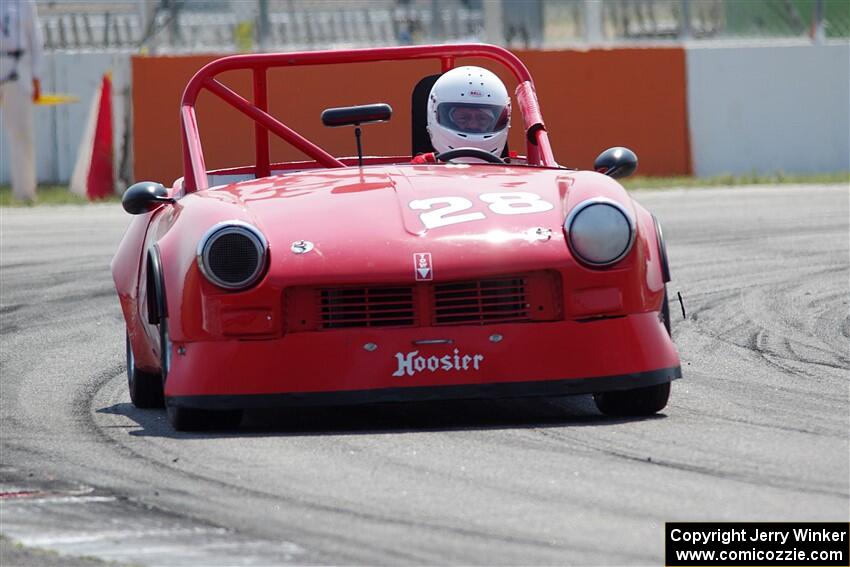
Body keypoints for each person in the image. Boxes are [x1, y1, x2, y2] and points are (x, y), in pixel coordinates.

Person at [414, 66, 511, 164]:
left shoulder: (516, 175)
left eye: (482, 118)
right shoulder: (415, 173)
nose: (473, 125)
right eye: (463, 118)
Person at [1, 0, 43, 203]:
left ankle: (25, 192)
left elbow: (34, 37)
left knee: (21, 132)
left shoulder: (24, 3)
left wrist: (36, 76)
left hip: (17, 66)